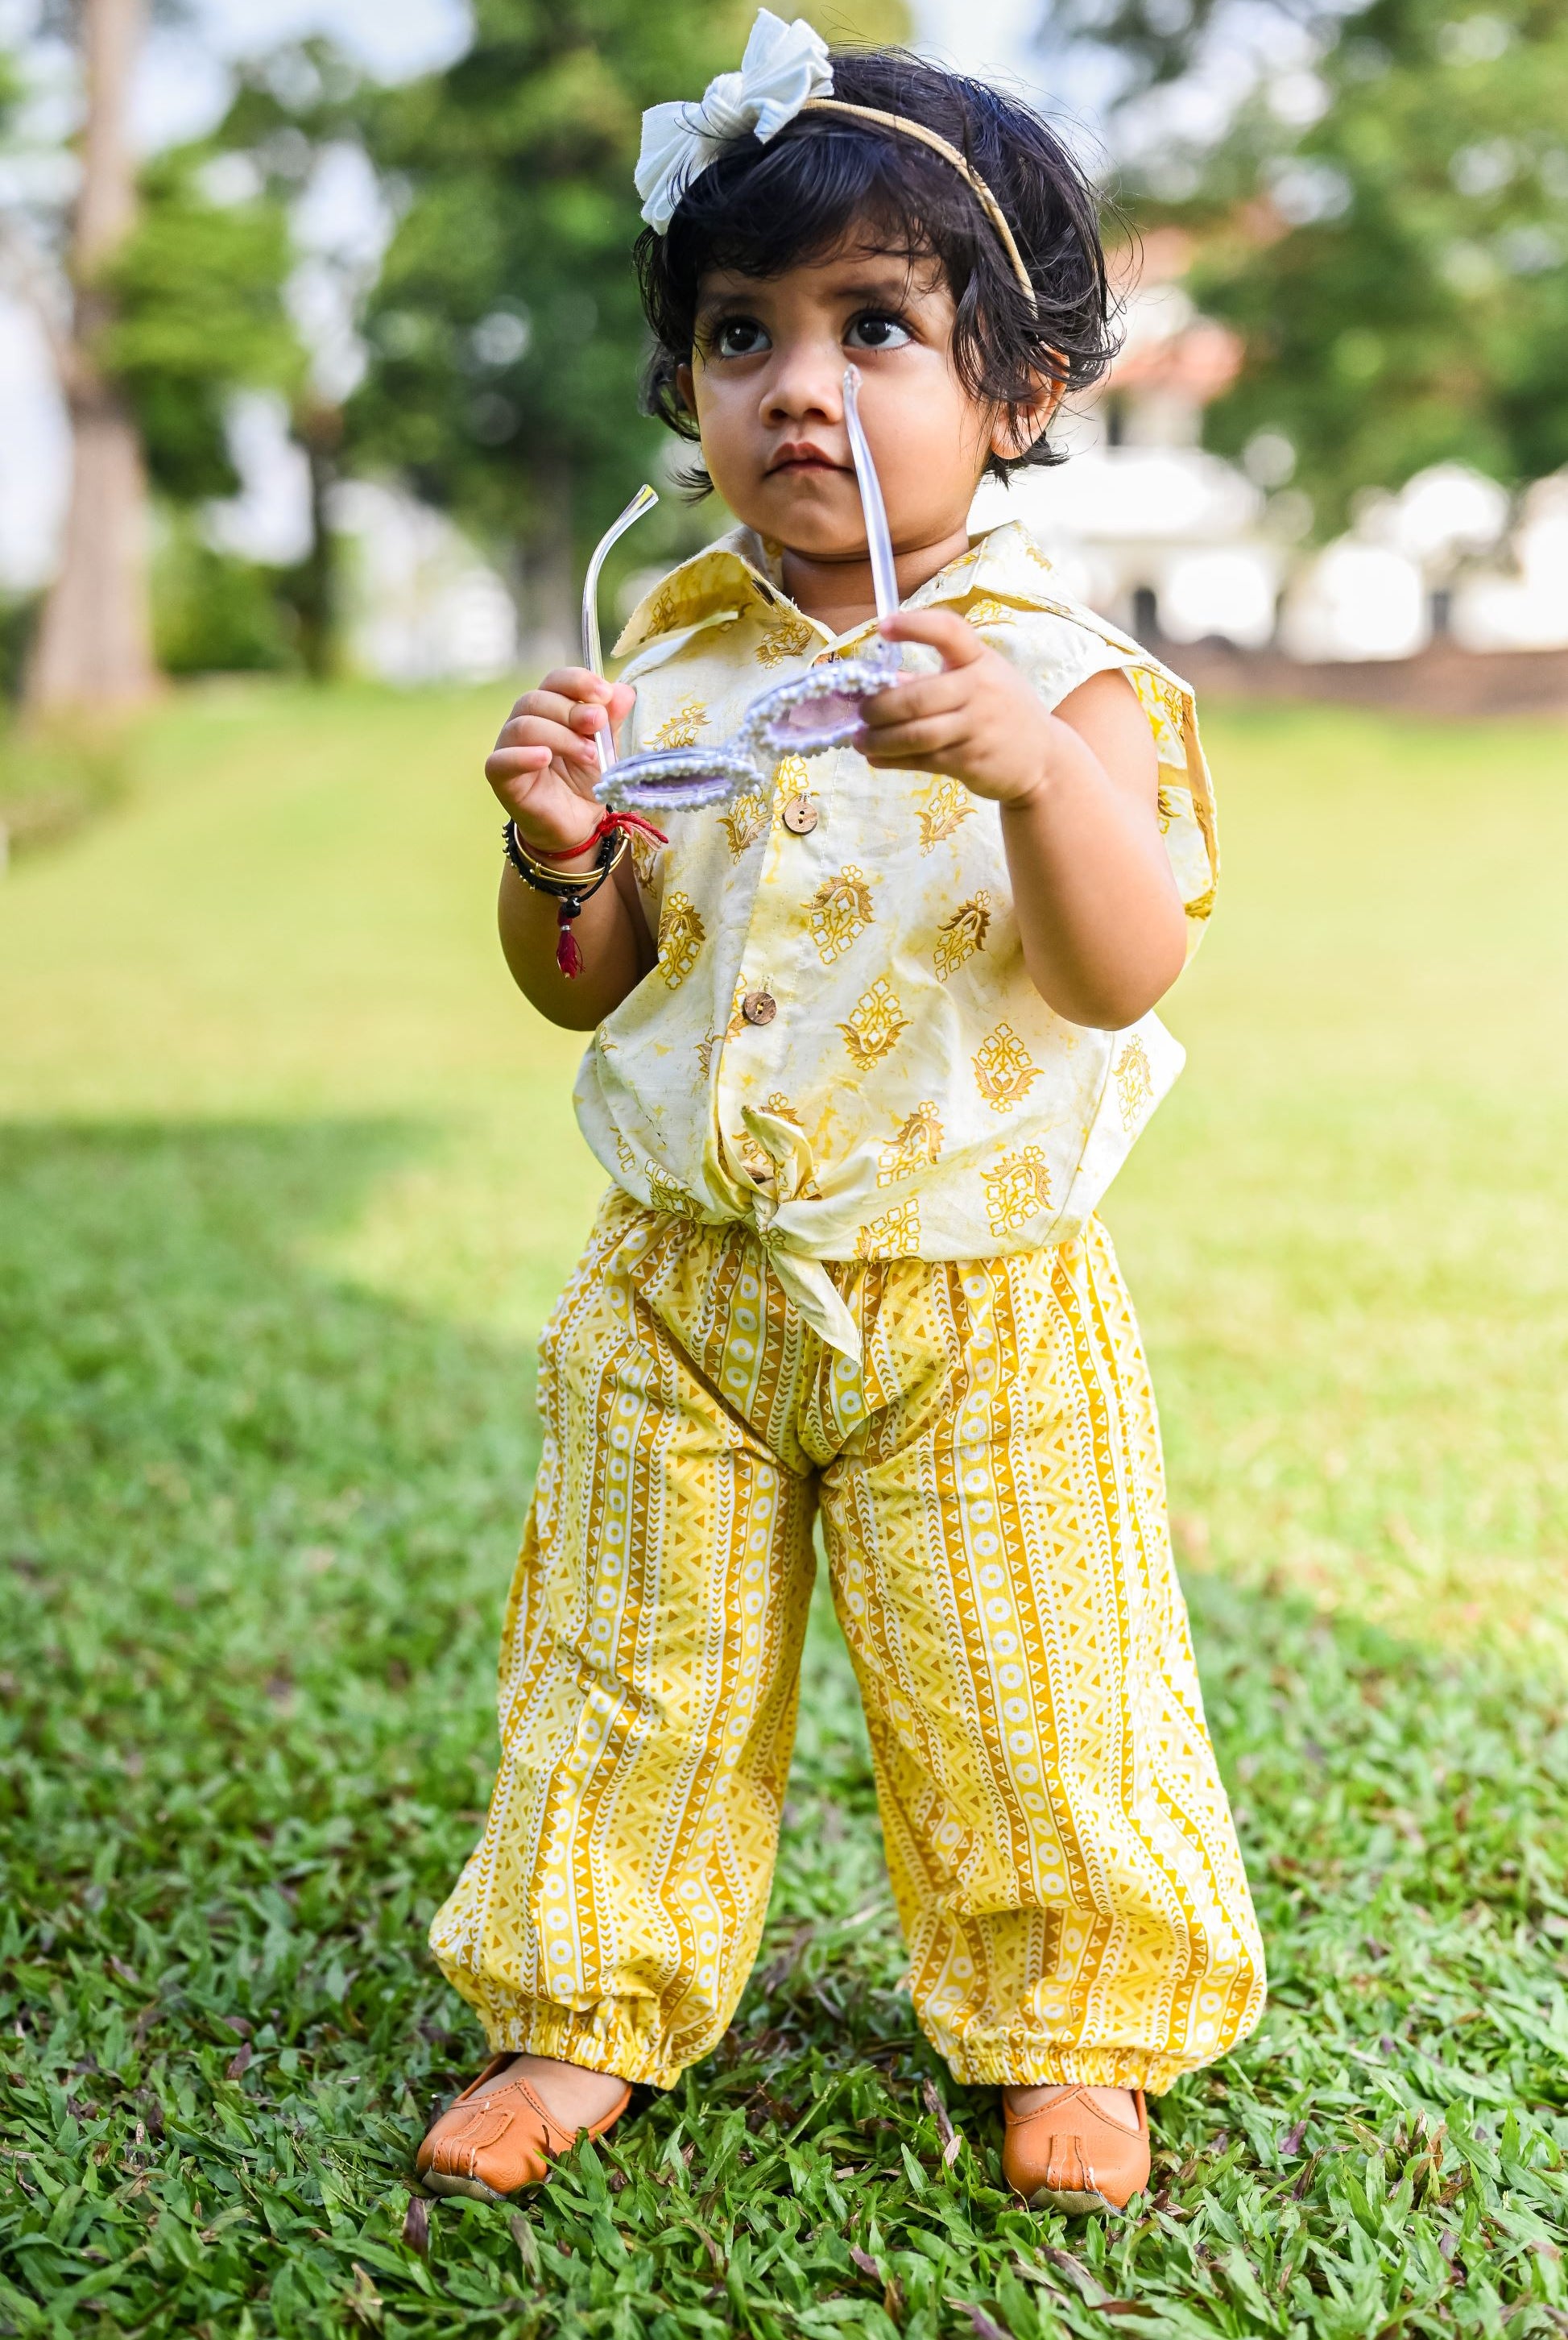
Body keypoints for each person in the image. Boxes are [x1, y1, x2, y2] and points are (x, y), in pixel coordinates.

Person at [416, 11, 1264, 2217]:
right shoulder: (668, 664)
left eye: (872, 325)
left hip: (976, 1293)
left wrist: (1027, 771)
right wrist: (555, 849)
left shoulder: (1067, 678)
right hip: (677, 1288)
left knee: (1027, 1676)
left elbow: (1122, 971)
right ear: (686, 385)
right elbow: (585, 979)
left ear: (1022, 389)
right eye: (740, 333)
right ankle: (580, 1999)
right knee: (629, 1666)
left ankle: (1074, 2021)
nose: (796, 384)